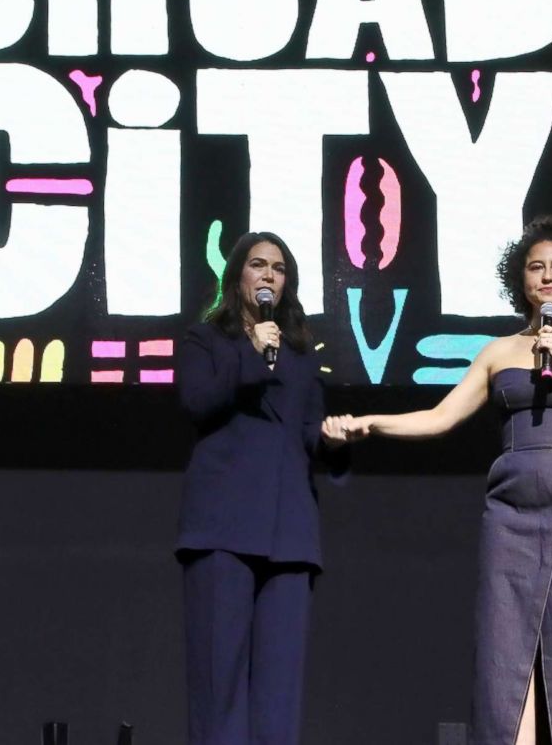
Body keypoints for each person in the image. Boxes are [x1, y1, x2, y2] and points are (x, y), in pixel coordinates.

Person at [334, 216, 552, 745]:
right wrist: (373, 423)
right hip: (510, 506)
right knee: (506, 646)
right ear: (520, 279)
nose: (547, 276)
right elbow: (441, 417)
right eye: (536, 267)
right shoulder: (498, 352)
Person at [175, 230, 351, 745]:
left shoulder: (300, 356)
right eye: (258, 265)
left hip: (288, 531)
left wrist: (334, 441)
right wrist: (250, 352)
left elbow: (306, 433)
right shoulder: (206, 341)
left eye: (278, 268)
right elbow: (199, 403)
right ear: (238, 278)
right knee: (219, 684)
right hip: (221, 529)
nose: (269, 275)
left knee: (279, 694)